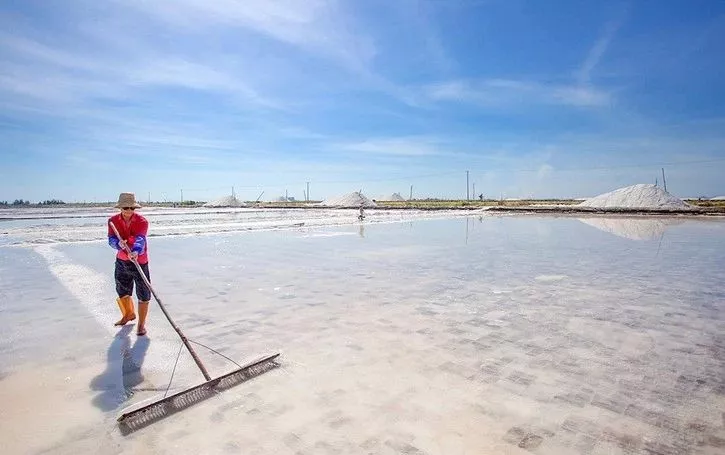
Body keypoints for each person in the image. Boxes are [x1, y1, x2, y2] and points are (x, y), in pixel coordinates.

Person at [107, 192, 151, 336]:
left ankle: (141, 325)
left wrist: (136, 251)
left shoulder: (142, 221)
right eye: (126, 208)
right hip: (122, 260)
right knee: (122, 290)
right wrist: (118, 244)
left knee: (143, 293)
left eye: (132, 208)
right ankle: (128, 314)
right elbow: (111, 240)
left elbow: (140, 239)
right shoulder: (112, 221)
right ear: (120, 208)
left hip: (139, 261)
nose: (129, 211)